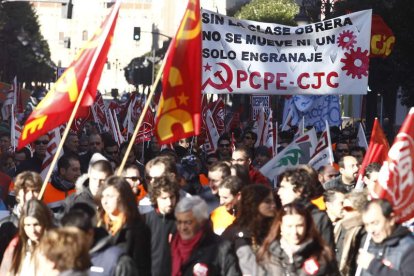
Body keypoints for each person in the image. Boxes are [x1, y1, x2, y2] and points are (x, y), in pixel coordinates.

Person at [256, 203, 339, 275]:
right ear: (280, 226)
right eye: (289, 226)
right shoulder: (268, 255)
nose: (294, 232)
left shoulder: (321, 255)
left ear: (307, 225)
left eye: (299, 226)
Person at [171, 196, 241, 276]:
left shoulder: (221, 248)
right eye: (179, 222)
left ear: (201, 221)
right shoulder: (172, 245)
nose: (183, 227)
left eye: (188, 222)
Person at [96, 176, 151, 275]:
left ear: (123, 197)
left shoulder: (137, 229)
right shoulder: (98, 225)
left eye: (110, 196)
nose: (105, 201)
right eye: (103, 196)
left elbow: (142, 267)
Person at [61, 206, 138, 276]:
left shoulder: (118, 261)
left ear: (90, 234)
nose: (71, 242)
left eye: (75, 237)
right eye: (65, 238)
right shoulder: (60, 259)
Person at [222, 184, 277, 275]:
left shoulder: (270, 227)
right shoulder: (240, 235)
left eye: (273, 201)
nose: (273, 205)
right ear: (254, 203)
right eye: (268, 202)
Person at [278, 167, 335, 250]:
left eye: (284, 187)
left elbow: (327, 254)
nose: (279, 192)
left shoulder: (318, 218)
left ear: (299, 190)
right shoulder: (283, 214)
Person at [357, 199, 414, 276]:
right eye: (367, 225)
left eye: (375, 223)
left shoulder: (409, 247)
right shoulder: (367, 243)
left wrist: (374, 266)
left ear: (391, 219)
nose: (370, 230)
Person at [0, 199, 54, 275]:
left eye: (36, 224)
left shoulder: (56, 247)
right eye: (28, 225)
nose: (32, 230)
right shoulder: (16, 247)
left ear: (45, 223)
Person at [0, 172, 42, 262]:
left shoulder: (50, 221)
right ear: (18, 194)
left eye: (35, 191)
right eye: (26, 191)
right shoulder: (5, 225)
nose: (31, 195)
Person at [144, 174, 180, 276]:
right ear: (155, 198)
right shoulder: (145, 220)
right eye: (164, 198)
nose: (169, 202)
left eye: (172, 197)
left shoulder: (182, 221)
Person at [335, 190, 368, 276]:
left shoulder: (364, 233)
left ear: (360, 210)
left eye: (347, 208)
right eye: (342, 207)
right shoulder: (339, 226)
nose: (343, 211)